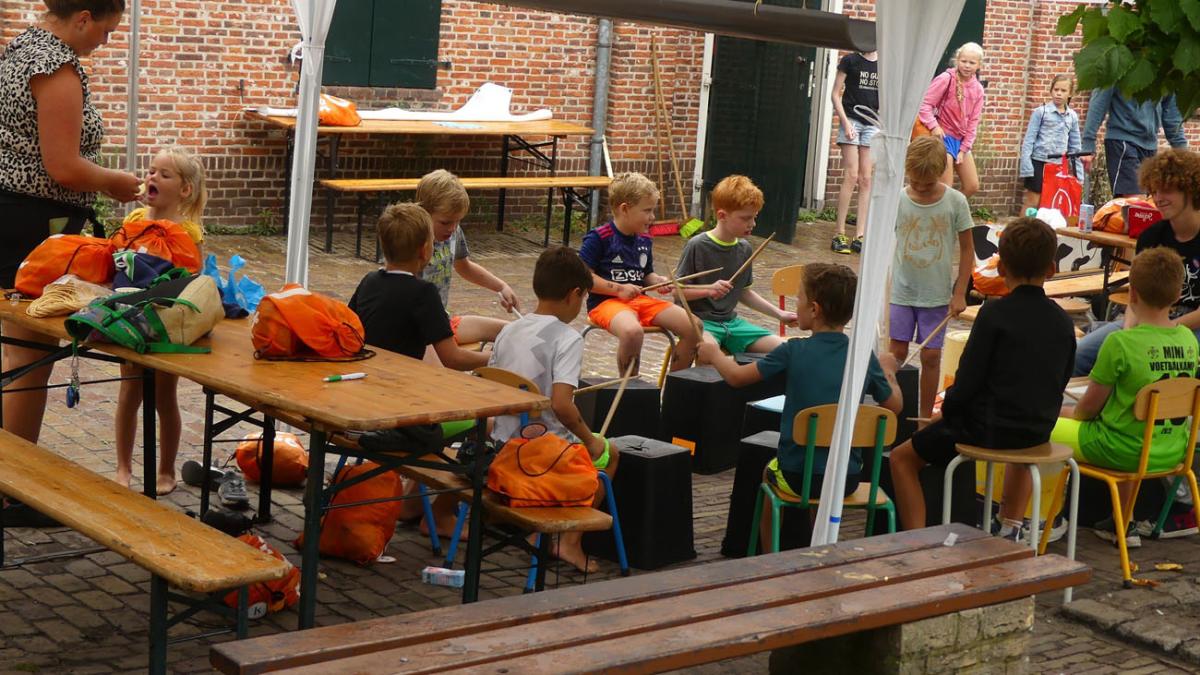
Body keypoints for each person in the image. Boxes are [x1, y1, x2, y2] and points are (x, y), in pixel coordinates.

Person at [0, 0, 141, 524]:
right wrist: (114, 182)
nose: (106, 40)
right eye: (107, 29)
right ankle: (16, 492)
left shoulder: (20, 48)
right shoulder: (55, 65)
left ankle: (12, 481)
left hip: (14, 215)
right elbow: (62, 166)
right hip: (33, 224)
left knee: (16, 354)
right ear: (83, 17)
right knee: (29, 356)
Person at [889, 217, 1076, 537]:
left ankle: (915, 541)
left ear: (1000, 268)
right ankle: (1010, 527)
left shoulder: (993, 314)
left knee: (900, 459)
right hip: (1037, 429)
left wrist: (945, 414)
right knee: (1023, 450)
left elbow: (967, 382)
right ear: (1051, 269)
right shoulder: (1062, 321)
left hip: (985, 429)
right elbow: (1060, 380)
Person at [698, 263, 902, 551]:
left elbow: (736, 378)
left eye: (799, 299)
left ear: (814, 309)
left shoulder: (793, 350)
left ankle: (771, 556)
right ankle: (818, 548)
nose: (797, 304)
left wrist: (714, 354)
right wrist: (888, 370)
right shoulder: (862, 356)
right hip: (847, 478)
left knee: (769, 474)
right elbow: (894, 406)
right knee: (820, 480)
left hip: (796, 476)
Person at [349, 202, 490, 536]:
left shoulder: (369, 281)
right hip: (402, 415)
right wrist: (493, 358)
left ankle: (413, 502)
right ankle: (439, 516)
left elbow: (350, 332)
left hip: (364, 400)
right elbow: (453, 358)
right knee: (485, 422)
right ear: (426, 250)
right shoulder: (423, 292)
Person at [1054, 247, 1199, 547]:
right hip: (1171, 450)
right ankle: (1123, 521)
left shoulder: (1119, 342)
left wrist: (1062, 412)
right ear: (1177, 296)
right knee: (1128, 425)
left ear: (1131, 293)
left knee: (1042, 424)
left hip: (1120, 450)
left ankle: (1042, 519)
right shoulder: (1189, 339)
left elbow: (1086, 412)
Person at [489, 246, 619, 572]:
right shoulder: (568, 338)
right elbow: (562, 405)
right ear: (574, 294)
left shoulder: (507, 331)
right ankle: (568, 542)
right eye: (584, 298)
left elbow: (488, 388)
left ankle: (543, 535)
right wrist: (589, 439)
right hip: (539, 454)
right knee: (609, 453)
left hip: (501, 446)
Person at [113, 146, 206, 494]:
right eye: (152, 170)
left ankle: (166, 470)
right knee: (129, 392)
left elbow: (193, 280)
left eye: (164, 174)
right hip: (130, 316)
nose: (153, 176)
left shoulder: (189, 232)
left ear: (185, 189)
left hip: (166, 320)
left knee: (165, 396)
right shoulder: (135, 220)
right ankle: (123, 467)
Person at [1074, 149, 1200, 377]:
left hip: (1191, 327)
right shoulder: (1151, 236)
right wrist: (1129, 332)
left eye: (1167, 190)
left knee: (1158, 370)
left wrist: (1165, 329)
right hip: (1149, 318)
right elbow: (1136, 294)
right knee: (1078, 356)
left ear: (1190, 190)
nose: (1158, 198)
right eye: (1154, 190)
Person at [579, 172, 702, 375]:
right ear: (625, 209)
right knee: (632, 332)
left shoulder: (644, 240)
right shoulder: (598, 238)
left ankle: (676, 387)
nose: (653, 217)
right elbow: (583, 278)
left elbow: (646, 275)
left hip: (640, 301)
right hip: (605, 303)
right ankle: (630, 388)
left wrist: (659, 281)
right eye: (647, 210)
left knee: (694, 326)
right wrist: (618, 289)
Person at [888, 135, 974, 420]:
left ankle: (924, 418)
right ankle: (893, 414)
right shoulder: (898, 199)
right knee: (896, 353)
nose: (921, 188)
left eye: (927, 183)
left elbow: (967, 249)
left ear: (940, 173)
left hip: (936, 295)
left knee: (931, 356)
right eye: (915, 182)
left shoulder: (956, 202)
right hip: (901, 291)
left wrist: (959, 292)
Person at [674, 175, 796, 361]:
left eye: (754, 217)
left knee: (784, 350)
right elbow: (677, 292)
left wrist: (780, 314)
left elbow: (744, 292)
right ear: (722, 216)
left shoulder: (744, 248)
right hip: (699, 322)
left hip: (731, 324)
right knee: (709, 351)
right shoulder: (697, 245)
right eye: (746, 218)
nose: (752, 224)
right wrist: (708, 290)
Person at [416, 169, 520, 357]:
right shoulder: (412, 238)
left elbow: (464, 266)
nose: (452, 228)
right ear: (423, 212)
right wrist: (492, 359)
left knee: (515, 332)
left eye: (457, 221)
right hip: (417, 329)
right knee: (445, 367)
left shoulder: (453, 232)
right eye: (445, 222)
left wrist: (501, 286)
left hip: (442, 321)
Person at [1081, 87, 1186, 198]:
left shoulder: (1167, 78)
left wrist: (1184, 156)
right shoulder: (1116, 75)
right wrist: (1088, 143)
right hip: (1123, 141)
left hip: (1150, 146)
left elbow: (1172, 117)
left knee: (1148, 201)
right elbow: (1099, 102)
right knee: (1135, 201)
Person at [917, 42, 985, 199]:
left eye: (972, 62)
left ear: (979, 65)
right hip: (942, 137)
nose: (967, 66)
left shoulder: (978, 89)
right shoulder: (946, 79)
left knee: (972, 185)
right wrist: (934, 126)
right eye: (964, 61)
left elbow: (973, 121)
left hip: (961, 140)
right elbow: (924, 104)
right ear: (957, 60)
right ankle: (939, 212)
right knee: (945, 187)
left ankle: (951, 210)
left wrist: (964, 148)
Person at [830, 49, 879, 255]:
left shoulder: (885, 63)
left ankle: (860, 235)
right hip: (851, 119)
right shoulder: (850, 60)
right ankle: (839, 233)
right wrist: (845, 122)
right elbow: (835, 94)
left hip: (872, 122)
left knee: (866, 178)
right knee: (851, 175)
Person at [1019, 74, 1083, 212]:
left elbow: (1075, 148)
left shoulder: (1072, 117)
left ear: (1070, 93)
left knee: (1050, 204)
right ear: (1051, 90)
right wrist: (1027, 167)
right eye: (1056, 89)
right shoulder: (1041, 112)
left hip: (1057, 166)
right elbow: (1029, 140)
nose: (1058, 93)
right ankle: (1023, 226)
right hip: (1038, 162)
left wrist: (1079, 175)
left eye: (1063, 90)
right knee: (1032, 201)